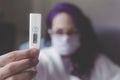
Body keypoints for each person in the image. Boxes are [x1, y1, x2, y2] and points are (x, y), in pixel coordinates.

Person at [35, 3, 102, 80]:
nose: (66, 38)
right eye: (59, 32)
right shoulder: (42, 59)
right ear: (50, 33)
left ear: (81, 32)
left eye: (71, 32)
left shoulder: (95, 60)